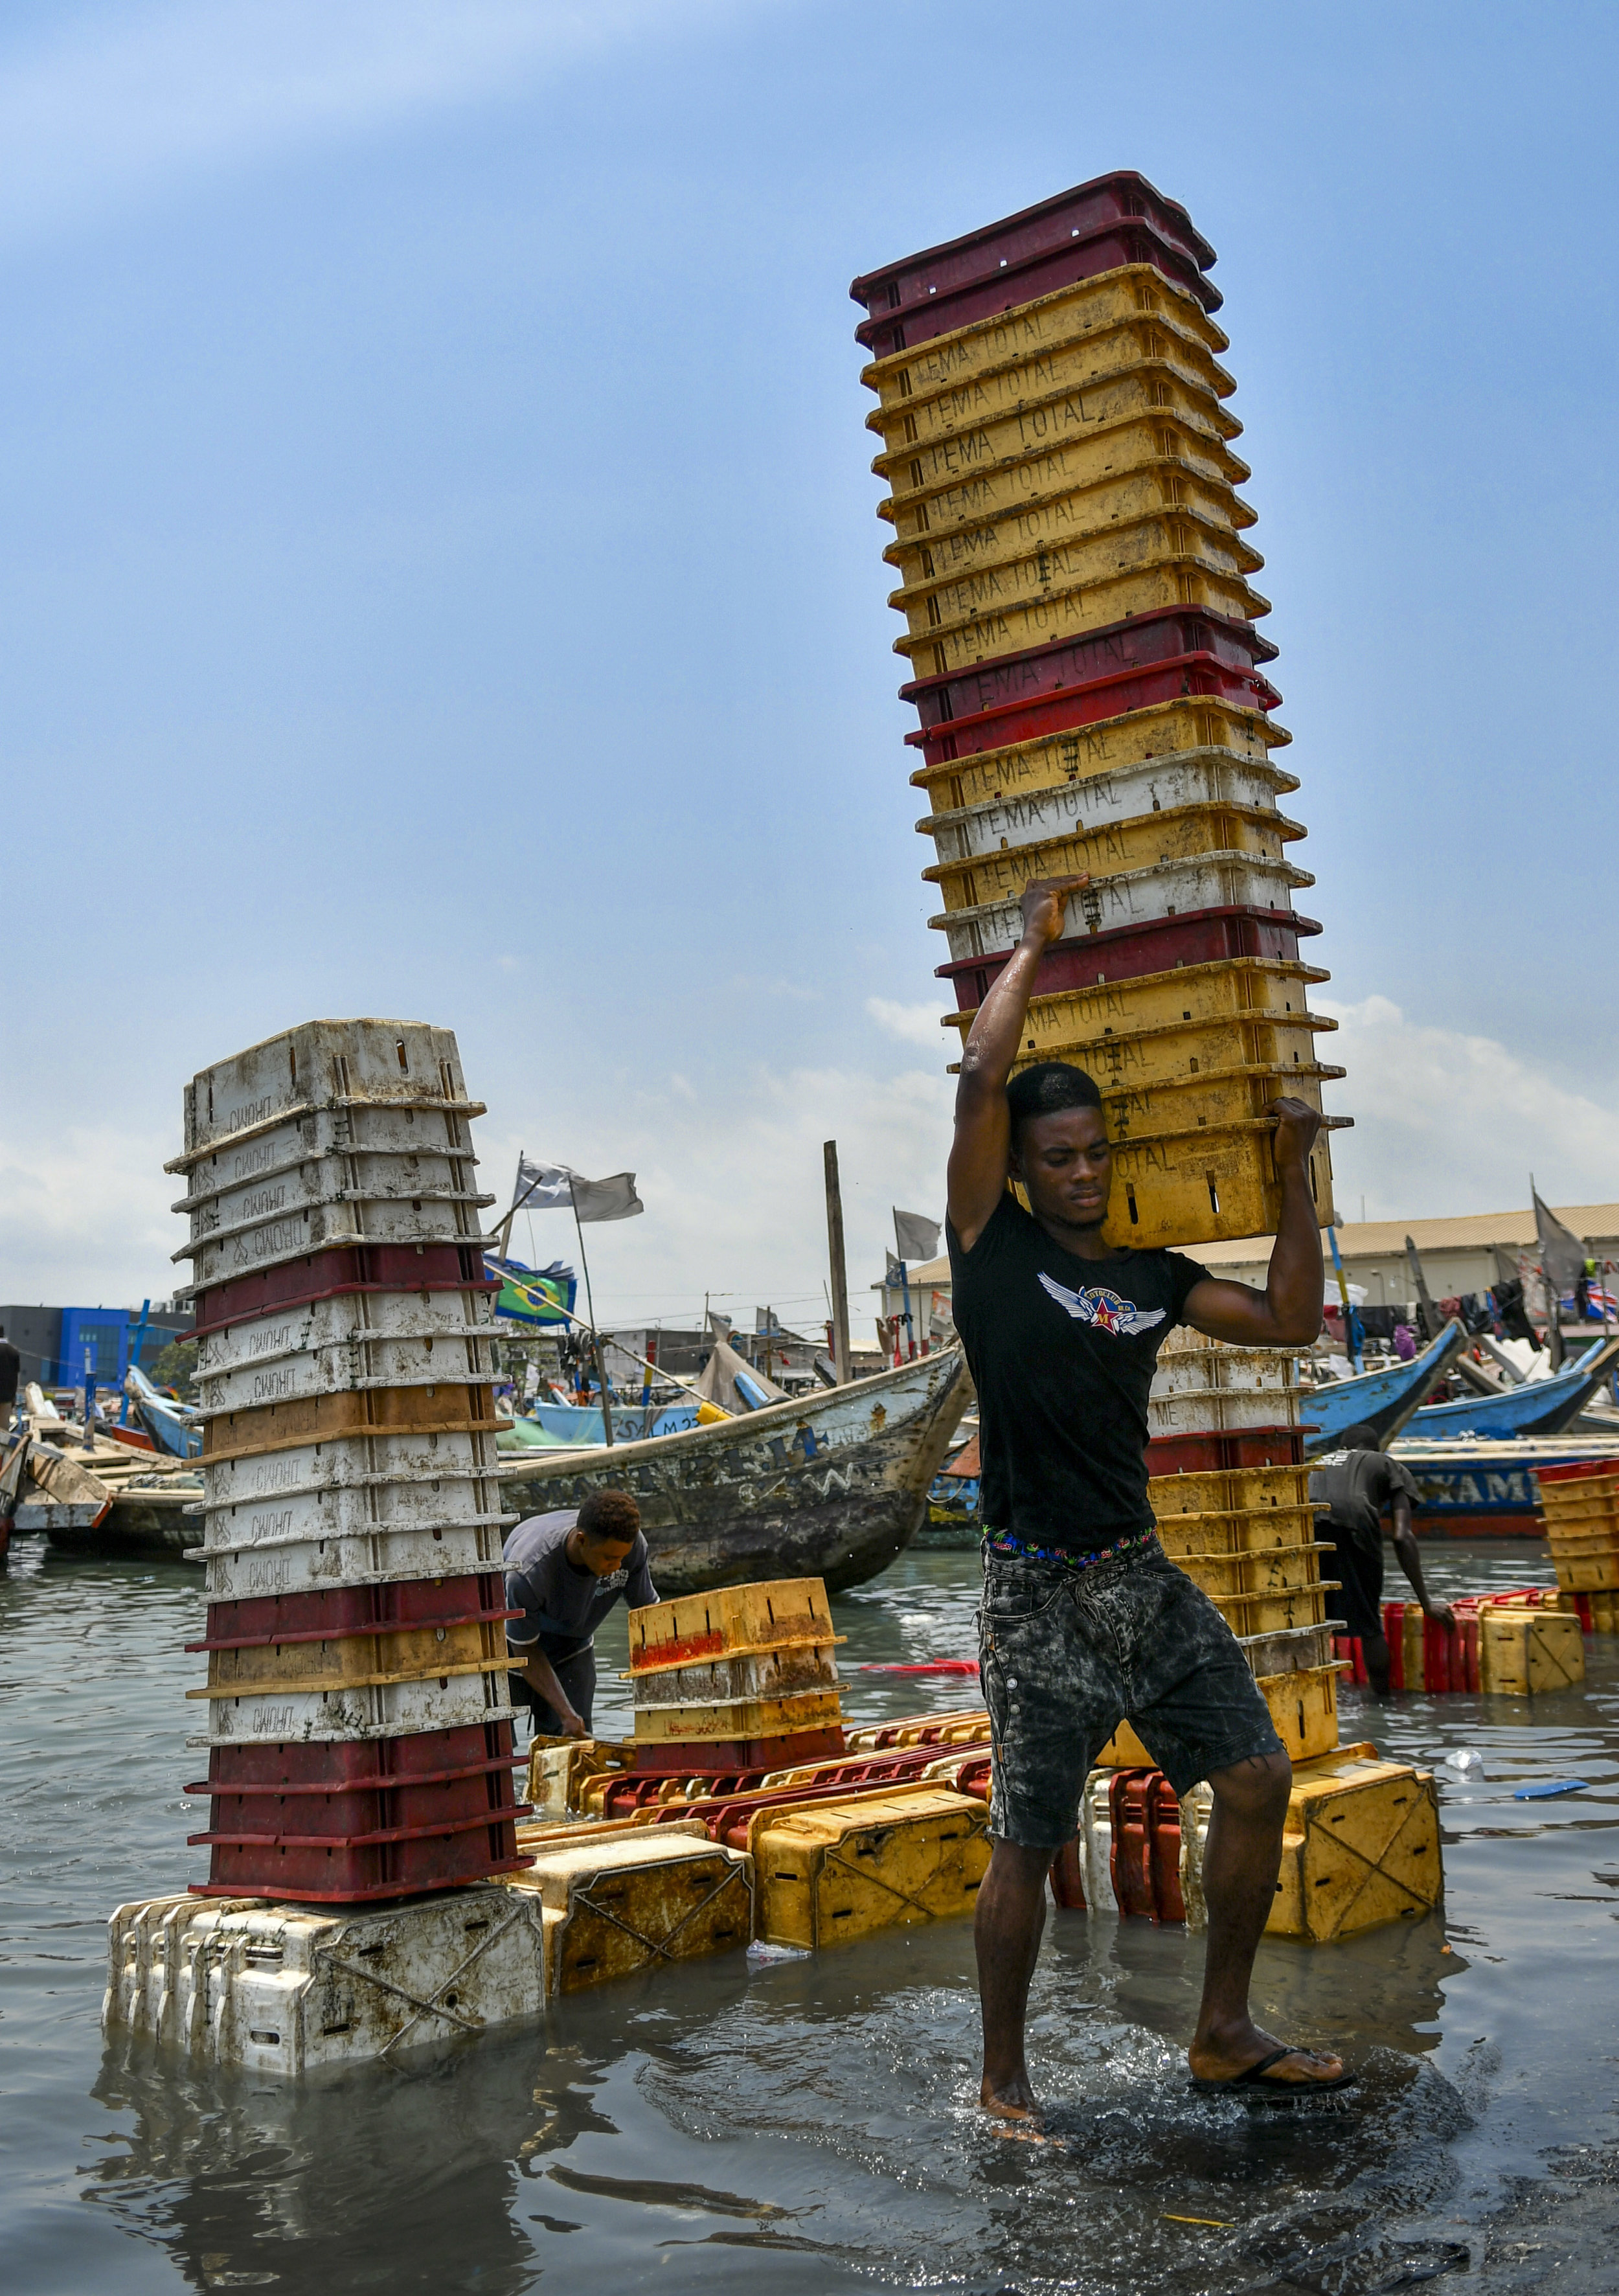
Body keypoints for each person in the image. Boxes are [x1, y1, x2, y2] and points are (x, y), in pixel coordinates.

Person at [948, 876, 1351, 2120]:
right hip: (1032, 1587)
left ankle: (1222, 2028)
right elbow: (975, 1084)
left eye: (1095, 1154)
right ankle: (1005, 2082)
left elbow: (1287, 1322)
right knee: (1031, 1835)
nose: (1081, 1174)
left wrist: (1295, 1178)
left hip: (1136, 1571)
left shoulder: (1148, 1274)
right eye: (1056, 1158)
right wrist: (1029, 949)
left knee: (1259, 1777)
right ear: (1017, 1169)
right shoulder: (989, 1247)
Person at [1312, 1422, 1453, 1695]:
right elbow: (1401, 1536)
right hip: (1355, 1520)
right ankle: (1382, 1704)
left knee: (1316, 1618)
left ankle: (1323, 1698)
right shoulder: (1386, 1463)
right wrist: (1427, 1603)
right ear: (1377, 1448)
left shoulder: (1320, 1461)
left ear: (1343, 1448)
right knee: (1369, 1625)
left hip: (1304, 1525)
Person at [503, 1490, 656, 1738]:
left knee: (572, 1739)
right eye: (609, 1559)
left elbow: (651, 1617)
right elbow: (525, 1648)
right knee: (497, 1745)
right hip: (515, 1647)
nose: (617, 1566)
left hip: (574, 1642)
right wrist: (565, 1712)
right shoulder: (528, 1573)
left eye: (622, 1558)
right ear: (582, 1541)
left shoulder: (632, 1547)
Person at [0, 1327, 19, 1428]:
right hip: (8, 1397)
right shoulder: (14, 1351)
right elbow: (17, 1375)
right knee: (3, 1431)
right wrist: (14, 1396)